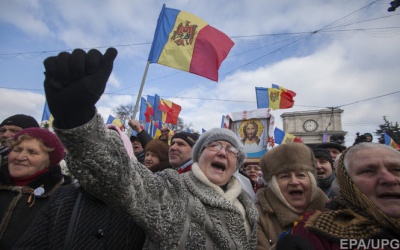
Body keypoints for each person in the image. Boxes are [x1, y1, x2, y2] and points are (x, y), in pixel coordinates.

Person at [42, 48, 259, 249]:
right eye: (214, 145)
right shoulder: (172, 188)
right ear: (199, 157)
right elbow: (121, 177)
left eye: (231, 151)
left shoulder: (249, 207)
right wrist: (78, 119)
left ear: (235, 165)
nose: (222, 151)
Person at [14, 126, 146, 250]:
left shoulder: (143, 204)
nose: (102, 156)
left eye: (112, 149)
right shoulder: (63, 196)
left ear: (126, 155)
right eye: (95, 147)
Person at [290, 143, 400, 249]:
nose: (389, 179)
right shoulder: (315, 231)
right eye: (368, 171)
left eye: (397, 170)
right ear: (345, 182)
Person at [0, 127, 71, 249]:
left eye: (32, 152)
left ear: (49, 161)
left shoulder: (63, 198)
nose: (20, 157)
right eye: (17, 150)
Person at [256, 142, 329, 249]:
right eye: (284, 176)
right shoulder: (258, 215)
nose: (294, 182)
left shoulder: (330, 208)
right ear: (273, 185)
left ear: (312, 181)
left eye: (301, 175)